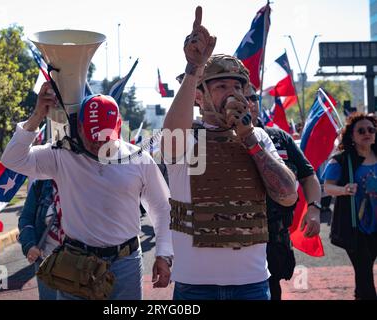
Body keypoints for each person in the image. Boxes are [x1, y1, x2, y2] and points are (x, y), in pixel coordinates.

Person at [162, 6, 297, 300]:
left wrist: (249, 139)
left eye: (238, 86)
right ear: (199, 96)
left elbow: (287, 194)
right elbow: (171, 138)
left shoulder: (258, 137)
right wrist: (194, 68)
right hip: (193, 288)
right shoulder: (188, 139)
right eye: (221, 85)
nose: (233, 92)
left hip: (252, 285)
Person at [1, 92, 173, 300]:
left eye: (104, 139)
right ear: (79, 128)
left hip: (125, 264)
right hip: (77, 264)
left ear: (118, 127)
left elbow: (161, 208)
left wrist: (163, 254)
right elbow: (12, 160)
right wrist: (37, 116)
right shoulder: (62, 155)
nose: (98, 146)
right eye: (92, 139)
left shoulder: (139, 159)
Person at [247, 85, 321, 300]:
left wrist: (314, 209)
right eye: (243, 97)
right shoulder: (212, 141)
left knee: (272, 291)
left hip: (274, 236)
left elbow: (308, 176)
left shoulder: (279, 138)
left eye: (253, 97)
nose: (249, 102)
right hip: (233, 243)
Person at [323, 112, 377, 300]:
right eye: (361, 130)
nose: (367, 133)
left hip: (375, 224)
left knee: (365, 269)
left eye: (371, 129)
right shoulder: (342, 160)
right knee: (364, 270)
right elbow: (327, 187)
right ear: (352, 135)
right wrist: (344, 189)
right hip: (354, 226)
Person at [18, 179, 64, 300]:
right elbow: (26, 219)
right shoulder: (40, 185)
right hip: (47, 263)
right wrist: (30, 245)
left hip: (80, 264)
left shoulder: (85, 180)